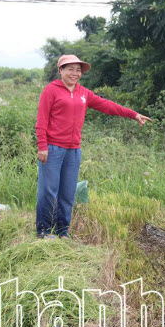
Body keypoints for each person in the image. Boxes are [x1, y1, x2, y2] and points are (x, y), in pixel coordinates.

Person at [35, 55, 152, 239]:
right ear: (61, 71)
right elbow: (42, 120)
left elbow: (107, 106)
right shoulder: (51, 91)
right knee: (49, 191)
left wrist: (133, 114)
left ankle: (62, 231)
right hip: (53, 149)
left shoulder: (84, 93)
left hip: (74, 150)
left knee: (67, 193)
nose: (75, 73)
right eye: (70, 69)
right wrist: (42, 145)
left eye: (78, 70)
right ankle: (43, 231)